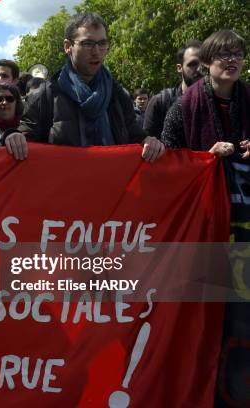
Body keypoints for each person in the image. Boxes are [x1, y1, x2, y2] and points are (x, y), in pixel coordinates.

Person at [161, 30, 249, 407]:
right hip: (203, 231)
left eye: (238, 54)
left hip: (244, 233)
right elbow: (168, 162)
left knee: (242, 319)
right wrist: (204, 158)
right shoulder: (184, 107)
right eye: (223, 54)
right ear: (208, 62)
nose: (231, 60)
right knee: (202, 317)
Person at [4, 12, 163, 162]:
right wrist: (14, 137)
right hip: (65, 188)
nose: (96, 52)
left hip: (112, 187)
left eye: (102, 43)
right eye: (87, 43)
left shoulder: (117, 94)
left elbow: (134, 134)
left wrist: (148, 141)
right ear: (68, 46)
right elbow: (26, 135)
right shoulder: (45, 95)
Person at [143, 40, 202, 138]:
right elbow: (147, 146)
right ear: (179, 68)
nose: (200, 69)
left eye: (204, 63)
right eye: (193, 64)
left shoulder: (217, 101)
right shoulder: (160, 102)